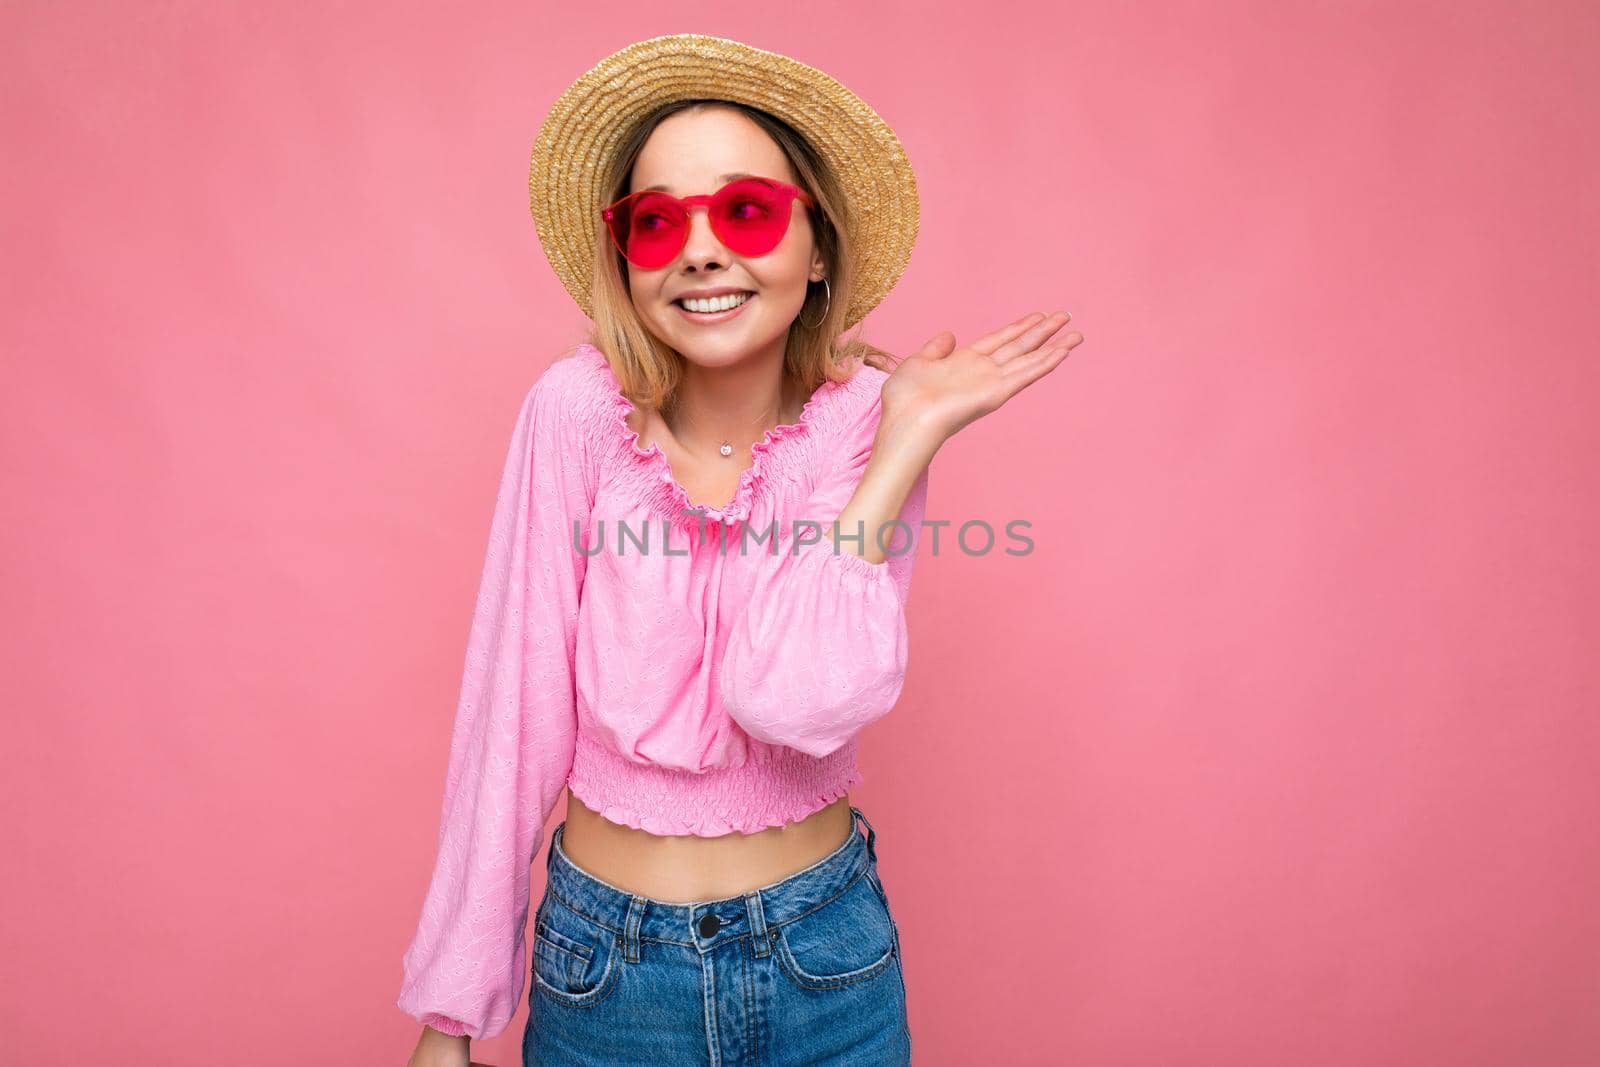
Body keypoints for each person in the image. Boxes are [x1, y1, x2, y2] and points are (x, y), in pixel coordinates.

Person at [398, 33, 1084, 1067]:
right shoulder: (574, 412)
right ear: (623, 259)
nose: (700, 250)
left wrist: (900, 446)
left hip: (826, 963)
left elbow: (792, 699)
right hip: (605, 969)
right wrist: (450, 1016)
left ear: (816, 251)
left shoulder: (868, 422)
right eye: (657, 222)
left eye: (747, 211)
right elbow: (513, 705)